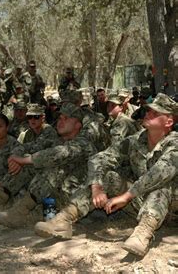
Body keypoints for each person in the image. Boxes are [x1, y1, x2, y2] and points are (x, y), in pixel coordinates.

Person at [34, 93, 177, 257]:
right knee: (108, 177)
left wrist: (126, 196)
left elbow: (159, 173)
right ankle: (64, 219)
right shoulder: (136, 140)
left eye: (155, 113)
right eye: (148, 110)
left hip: (170, 209)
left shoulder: (175, 144)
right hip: (140, 202)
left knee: (162, 184)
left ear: (169, 122)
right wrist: (97, 186)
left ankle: (143, 233)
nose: (148, 114)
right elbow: (101, 158)